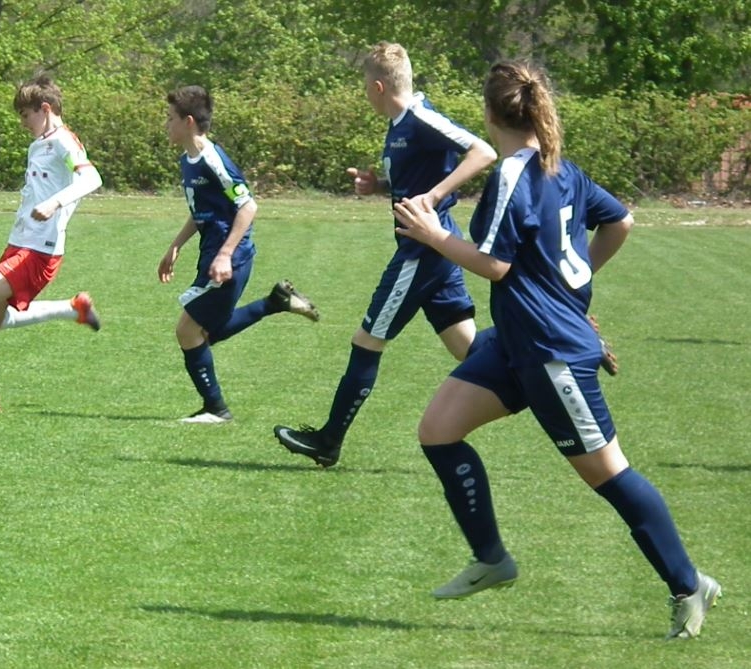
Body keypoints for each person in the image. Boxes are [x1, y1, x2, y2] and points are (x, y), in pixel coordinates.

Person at [391, 60, 719, 640]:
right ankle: (491, 559)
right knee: (438, 430)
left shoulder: (514, 173)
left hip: (549, 351)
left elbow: (495, 265)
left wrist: (433, 234)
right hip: (516, 340)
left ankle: (688, 583)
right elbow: (620, 223)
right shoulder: (559, 166)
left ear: (489, 113)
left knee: (609, 474)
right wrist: (568, 290)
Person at [273, 41, 497, 465]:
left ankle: (328, 442)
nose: (365, 94)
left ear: (378, 87)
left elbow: (483, 152)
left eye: (364, 87)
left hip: (421, 251)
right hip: (432, 249)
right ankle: (552, 346)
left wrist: (433, 197)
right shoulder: (399, 125)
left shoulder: (419, 117)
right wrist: (377, 186)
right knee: (467, 347)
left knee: (367, 341)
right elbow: (416, 176)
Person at [160, 85, 320, 423]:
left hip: (229, 257)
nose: (166, 124)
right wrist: (175, 245)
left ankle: (216, 409)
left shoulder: (213, 160)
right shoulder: (188, 160)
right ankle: (275, 302)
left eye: (170, 118)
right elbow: (200, 212)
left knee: (188, 331)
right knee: (205, 333)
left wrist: (225, 255)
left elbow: (248, 206)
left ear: (189, 122)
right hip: (213, 253)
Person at [0, 75, 103, 413]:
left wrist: (55, 203)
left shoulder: (63, 141)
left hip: (39, 249)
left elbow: (92, 178)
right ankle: (73, 309)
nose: (22, 123)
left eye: (25, 115)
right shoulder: (40, 143)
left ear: (45, 109)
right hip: (20, 243)